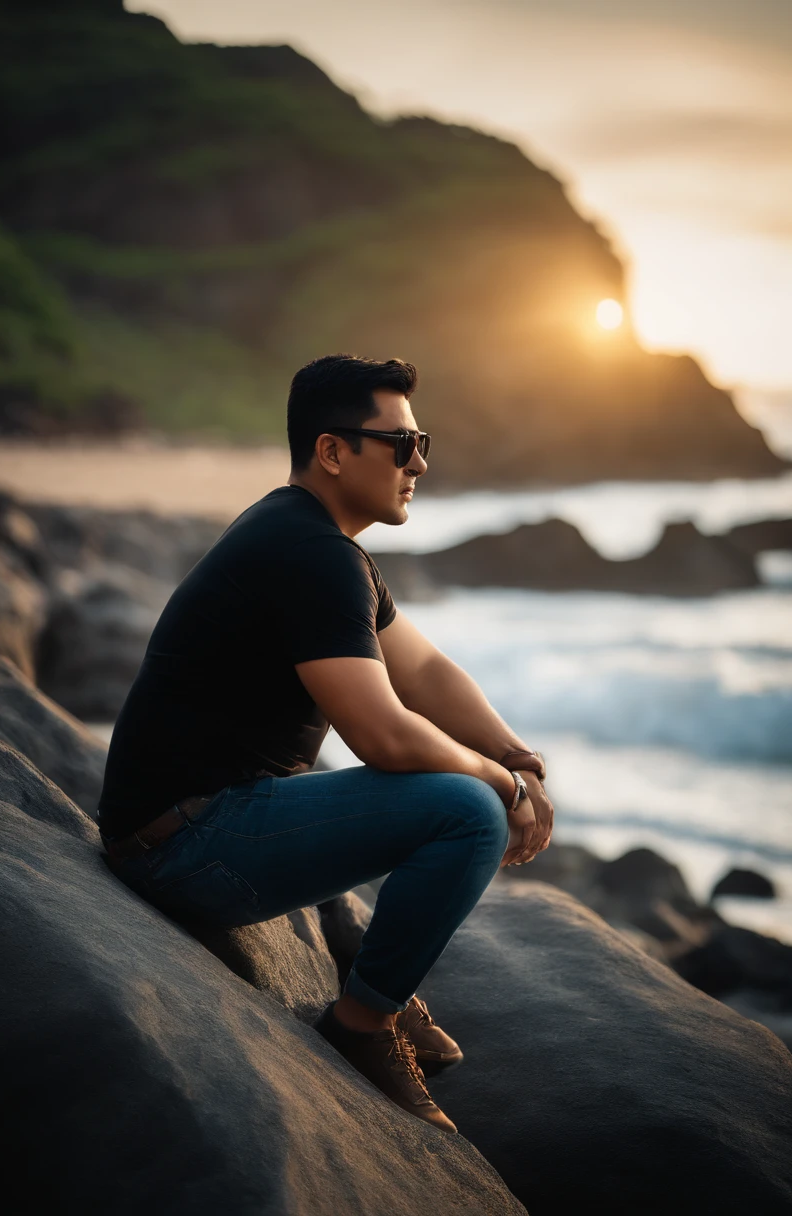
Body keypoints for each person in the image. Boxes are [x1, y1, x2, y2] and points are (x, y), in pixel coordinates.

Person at [97, 353, 554, 1134]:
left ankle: (381, 990)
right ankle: (361, 1026)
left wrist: (518, 757)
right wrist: (500, 788)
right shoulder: (309, 553)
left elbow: (428, 673)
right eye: (400, 446)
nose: (419, 465)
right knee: (466, 812)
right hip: (186, 842)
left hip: (193, 820)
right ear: (333, 451)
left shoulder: (318, 542)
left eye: (423, 444)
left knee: (467, 786)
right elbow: (380, 733)